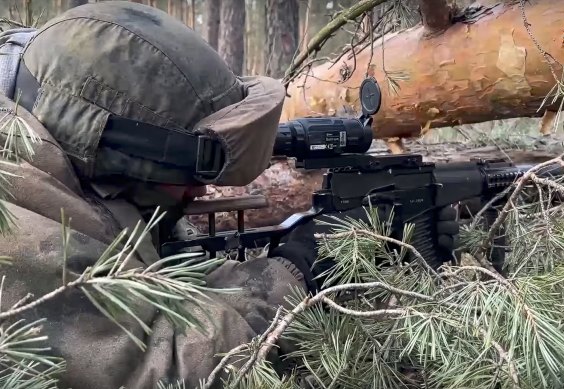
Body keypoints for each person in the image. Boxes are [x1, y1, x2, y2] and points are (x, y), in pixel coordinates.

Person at [0, 2, 459, 388]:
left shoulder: (74, 161)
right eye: (186, 172)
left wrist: (300, 250)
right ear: (115, 155)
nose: (201, 190)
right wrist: (298, 269)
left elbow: (164, 281)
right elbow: (166, 370)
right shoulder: (16, 222)